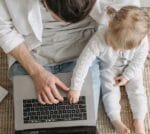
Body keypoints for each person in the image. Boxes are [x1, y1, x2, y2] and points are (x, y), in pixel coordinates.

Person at [0, 0, 140, 119]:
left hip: (84, 50)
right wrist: (36, 72)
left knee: (81, 121)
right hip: (31, 54)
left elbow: (129, 6)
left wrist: (136, 35)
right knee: (33, 123)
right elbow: (3, 28)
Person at [68, 6, 149, 134]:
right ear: (109, 24)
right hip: (109, 68)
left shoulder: (142, 41)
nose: (117, 49)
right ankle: (115, 120)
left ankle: (139, 119)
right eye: (114, 45)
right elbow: (83, 62)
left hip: (132, 67)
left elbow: (139, 61)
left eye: (122, 48)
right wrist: (75, 88)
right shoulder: (98, 39)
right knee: (109, 91)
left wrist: (127, 76)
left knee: (138, 90)